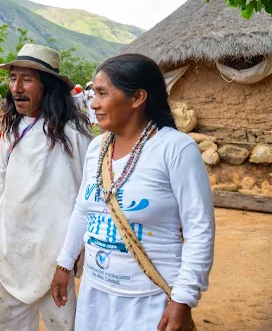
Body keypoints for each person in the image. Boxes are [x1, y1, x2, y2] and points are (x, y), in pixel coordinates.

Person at [51, 54, 215, 331]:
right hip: (95, 294)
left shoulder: (176, 149)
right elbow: (83, 209)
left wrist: (183, 298)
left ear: (138, 97)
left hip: (148, 300)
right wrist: (64, 264)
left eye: (103, 93)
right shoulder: (97, 148)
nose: (93, 103)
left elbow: (199, 229)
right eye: (93, 94)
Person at [0, 44, 92, 331]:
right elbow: (1, 180)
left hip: (54, 252)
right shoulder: (10, 129)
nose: (16, 87)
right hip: (12, 246)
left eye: (27, 79)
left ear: (49, 85)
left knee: (62, 325)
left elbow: (87, 193)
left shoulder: (74, 134)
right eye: (13, 78)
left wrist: (76, 250)